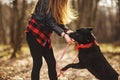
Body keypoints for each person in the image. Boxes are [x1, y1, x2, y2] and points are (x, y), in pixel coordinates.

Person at [25, 0, 76, 80]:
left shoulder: (56, 5)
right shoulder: (44, 1)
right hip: (34, 33)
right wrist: (63, 35)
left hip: (44, 37)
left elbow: (57, 22)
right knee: (38, 63)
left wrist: (68, 31)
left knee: (52, 62)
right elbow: (50, 22)